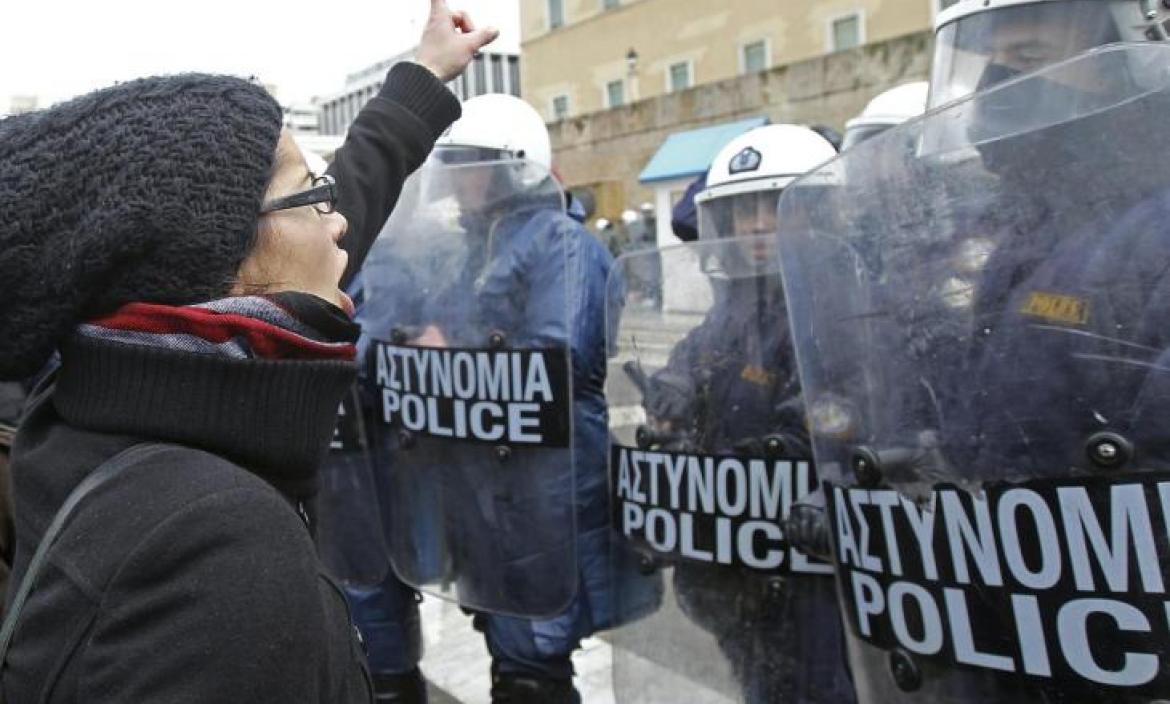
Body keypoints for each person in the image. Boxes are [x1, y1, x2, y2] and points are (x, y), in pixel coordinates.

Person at [0, 2, 496, 701]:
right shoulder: (216, 553)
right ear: (214, 263)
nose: (342, 222)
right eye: (313, 194)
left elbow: (308, 216)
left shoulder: (96, 408)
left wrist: (421, 77)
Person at [773, 9, 1170, 703]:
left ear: (1124, 55)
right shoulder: (1025, 240)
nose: (999, 83)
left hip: (1117, 648)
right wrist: (898, 492)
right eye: (988, 60)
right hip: (1011, 628)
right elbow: (976, 416)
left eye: (1029, 54)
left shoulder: (1149, 228)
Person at [342, 94, 621, 703]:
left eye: (474, 163)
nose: (461, 179)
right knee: (506, 645)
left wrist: (455, 346)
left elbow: (562, 357)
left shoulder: (560, 243)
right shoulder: (462, 248)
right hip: (479, 488)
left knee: (533, 668)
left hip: (541, 491)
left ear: (513, 165)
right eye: (455, 164)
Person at [610, 124, 854, 703]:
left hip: (805, 561)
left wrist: (737, 461)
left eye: (776, 206)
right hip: (732, 551)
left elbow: (831, 417)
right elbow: (692, 360)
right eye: (744, 212)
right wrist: (669, 390)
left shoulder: (840, 303)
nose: (758, 227)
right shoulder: (738, 304)